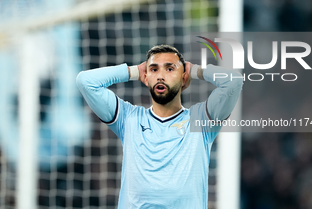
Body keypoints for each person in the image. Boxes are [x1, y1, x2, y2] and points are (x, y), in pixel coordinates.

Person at [76, 44, 243, 208]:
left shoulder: (200, 120)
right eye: (154, 69)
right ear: (146, 77)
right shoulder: (129, 118)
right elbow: (85, 82)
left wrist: (194, 70)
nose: (160, 76)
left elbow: (234, 81)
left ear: (184, 77)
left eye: (170, 69)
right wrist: (133, 71)